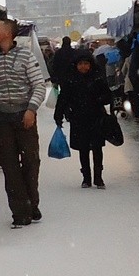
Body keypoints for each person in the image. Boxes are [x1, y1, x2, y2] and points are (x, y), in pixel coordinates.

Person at [0, 18, 46, 228]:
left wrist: (31, 110)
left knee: (31, 162)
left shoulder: (25, 55)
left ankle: (31, 203)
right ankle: (20, 212)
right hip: (0, 119)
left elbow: (39, 85)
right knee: (9, 166)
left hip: (23, 116)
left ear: (8, 33)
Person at [54, 52, 112, 189]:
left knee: (97, 148)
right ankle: (86, 177)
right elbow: (63, 98)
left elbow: (108, 96)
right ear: (76, 65)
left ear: (91, 65)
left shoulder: (98, 78)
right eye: (80, 64)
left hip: (96, 117)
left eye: (86, 63)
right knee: (83, 148)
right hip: (78, 118)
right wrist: (59, 114)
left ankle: (98, 177)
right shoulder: (71, 80)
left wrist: (99, 100)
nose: (83, 67)